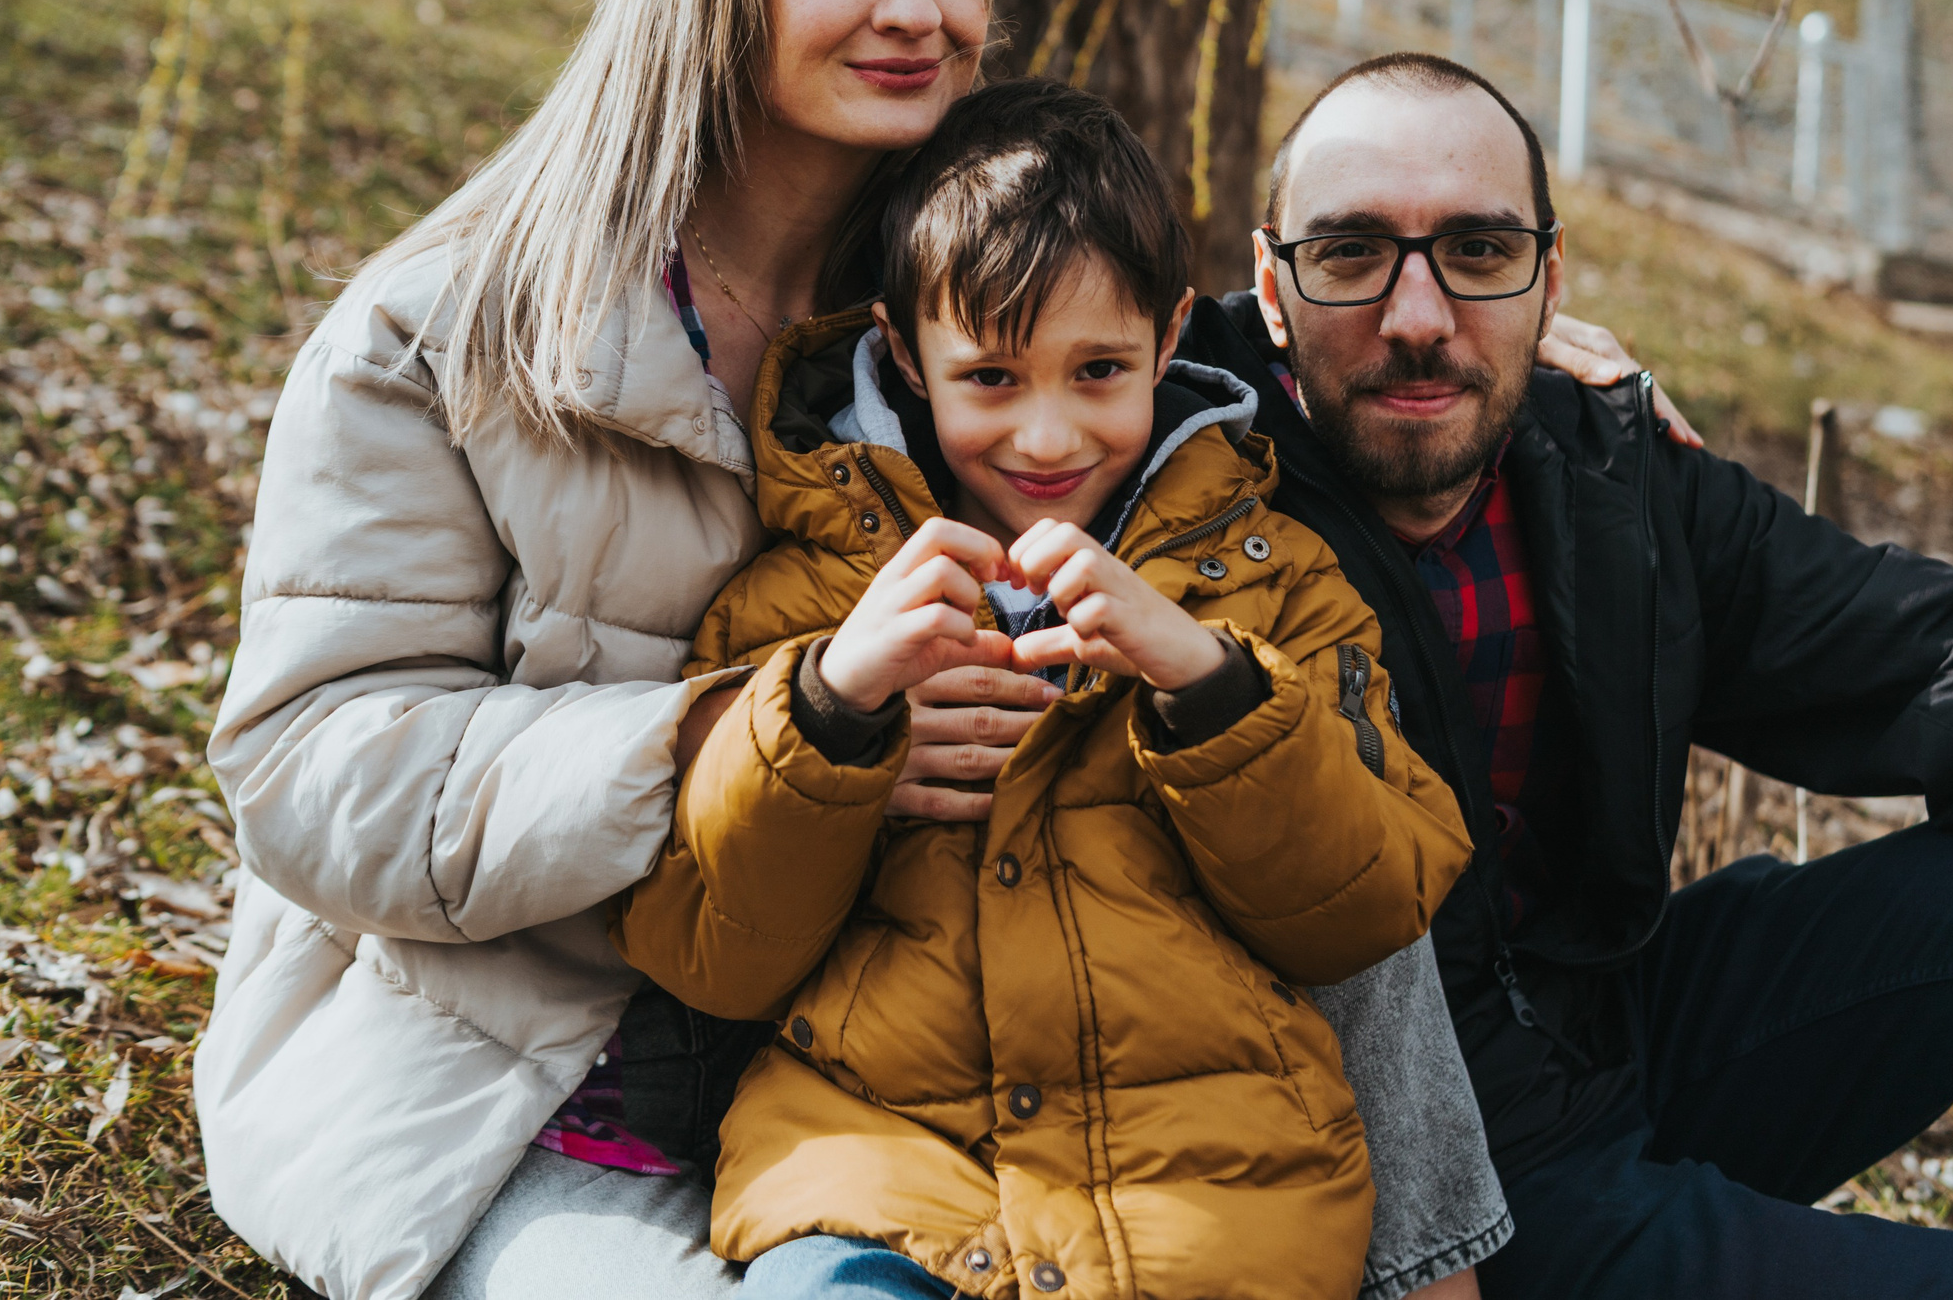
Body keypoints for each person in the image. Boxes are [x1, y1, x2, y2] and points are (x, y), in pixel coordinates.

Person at [199, 0, 1573, 1300]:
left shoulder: (954, 291)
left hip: (919, 1062)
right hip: (538, 1085)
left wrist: (1523, 327)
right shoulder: (452, 332)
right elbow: (309, 774)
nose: (914, 4)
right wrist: (762, 728)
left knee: (1268, 705)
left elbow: (1194, 342)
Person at [1153, 50, 1953, 1300]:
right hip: (1396, 1177)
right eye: (1352, 252)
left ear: (1549, 275)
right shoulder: (1164, 495)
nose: (1418, 317)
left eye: (1476, 252)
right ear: (1267, 282)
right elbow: (996, 373)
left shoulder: (1603, 480)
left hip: (1607, 1044)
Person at [611, 79, 1473, 1300]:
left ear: (1171, 340)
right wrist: (833, 710)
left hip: (1208, 1214)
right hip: (878, 1184)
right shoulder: (814, 589)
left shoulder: (1271, 583)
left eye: (1100, 369)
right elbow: (708, 947)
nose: (1048, 436)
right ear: (905, 352)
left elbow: (1369, 903)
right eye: (993, 379)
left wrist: (1208, 683)